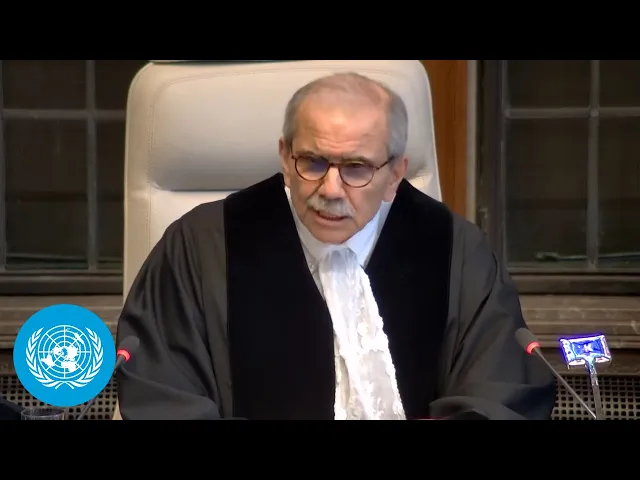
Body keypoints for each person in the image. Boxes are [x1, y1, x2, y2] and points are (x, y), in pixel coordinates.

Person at [115, 72, 557, 420]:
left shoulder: (455, 251)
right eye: (312, 162)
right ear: (285, 156)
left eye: (356, 168)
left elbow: (499, 395)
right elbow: (163, 394)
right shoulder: (200, 247)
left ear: (395, 174)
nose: (330, 189)